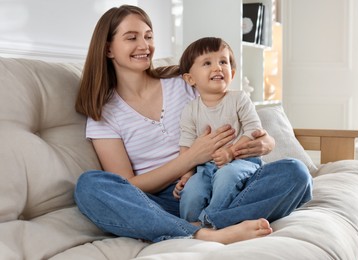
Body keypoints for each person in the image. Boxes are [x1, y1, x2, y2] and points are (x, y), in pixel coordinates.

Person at [73, 4, 313, 244]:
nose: (144, 46)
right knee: (89, 186)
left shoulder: (183, 81)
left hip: (220, 183)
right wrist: (190, 158)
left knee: (296, 173)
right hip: (159, 202)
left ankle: (200, 224)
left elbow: (242, 118)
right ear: (108, 49)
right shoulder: (102, 114)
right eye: (131, 38)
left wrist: (266, 143)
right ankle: (208, 232)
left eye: (148, 36)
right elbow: (128, 185)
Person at [173, 37, 264, 227]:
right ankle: (188, 227)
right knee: (191, 192)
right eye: (207, 63)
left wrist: (231, 152)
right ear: (190, 78)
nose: (217, 68)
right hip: (205, 168)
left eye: (223, 62)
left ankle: (209, 222)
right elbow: (186, 145)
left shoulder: (238, 98)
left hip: (242, 162)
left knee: (226, 176)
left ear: (232, 72)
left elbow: (254, 129)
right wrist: (186, 176)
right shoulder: (190, 110)